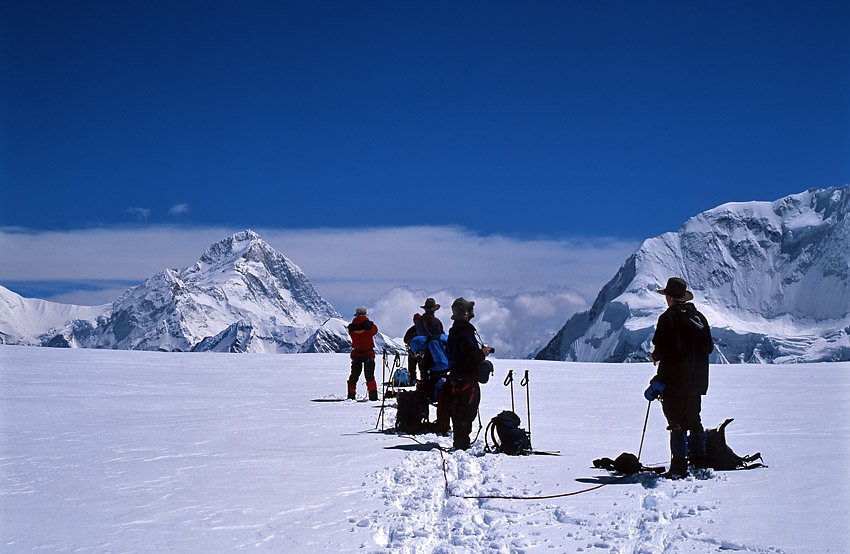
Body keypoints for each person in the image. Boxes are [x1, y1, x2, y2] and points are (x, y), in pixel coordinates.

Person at [645, 277, 714, 478]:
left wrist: (656, 359)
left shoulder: (668, 318)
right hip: (698, 380)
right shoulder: (699, 318)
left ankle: (678, 467)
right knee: (694, 420)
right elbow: (708, 348)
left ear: (670, 298)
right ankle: (700, 462)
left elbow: (663, 348)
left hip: (674, 380)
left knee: (676, 422)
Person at [446, 297, 492, 451]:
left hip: (455, 375)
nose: (473, 310)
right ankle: (462, 442)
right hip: (467, 376)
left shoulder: (454, 329)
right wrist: (483, 353)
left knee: (458, 408)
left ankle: (459, 440)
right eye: (470, 308)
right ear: (466, 312)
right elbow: (472, 355)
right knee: (468, 409)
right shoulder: (466, 331)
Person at [347, 307, 380, 401]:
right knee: (369, 376)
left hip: (356, 354)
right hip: (368, 353)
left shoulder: (351, 327)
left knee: (354, 375)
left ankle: (351, 396)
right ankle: (373, 396)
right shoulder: (370, 325)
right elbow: (375, 331)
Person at [414, 297, 445, 393]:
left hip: (422, 353)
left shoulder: (419, 321)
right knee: (436, 375)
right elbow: (440, 337)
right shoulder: (436, 322)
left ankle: (425, 396)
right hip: (434, 353)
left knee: (424, 375)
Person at [402, 313, 421, 382]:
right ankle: (413, 379)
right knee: (411, 368)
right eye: (415, 320)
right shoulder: (411, 330)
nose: (416, 321)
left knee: (422, 368)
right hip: (412, 352)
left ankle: (422, 381)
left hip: (422, 352)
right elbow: (405, 339)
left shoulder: (424, 329)